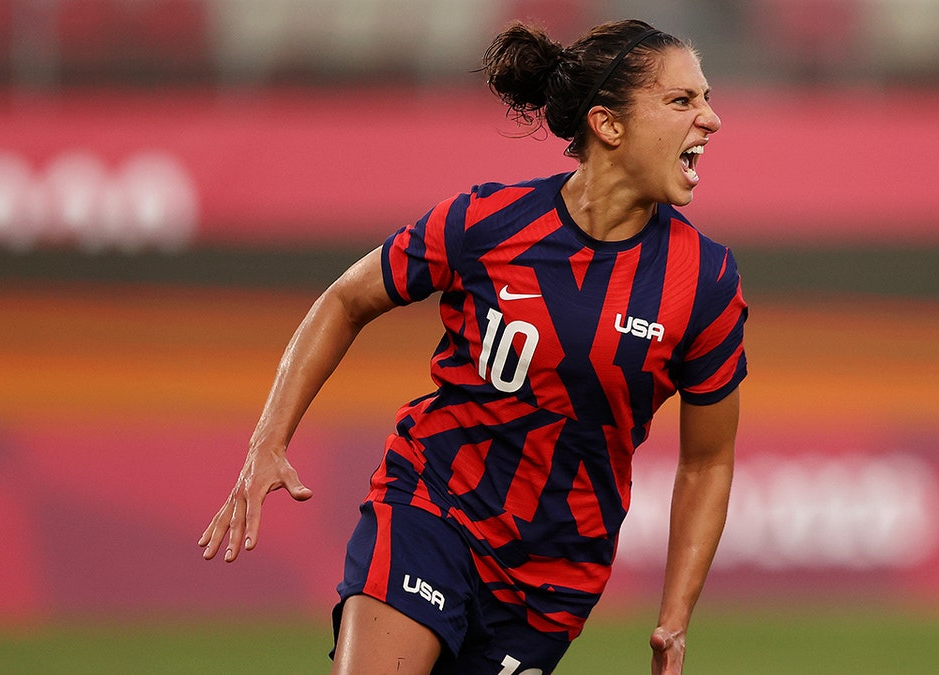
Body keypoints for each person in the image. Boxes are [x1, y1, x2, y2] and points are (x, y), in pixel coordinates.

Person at [199, 18, 746, 675]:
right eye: (682, 100)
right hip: (433, 508)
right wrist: (268, 440)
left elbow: (707, 463)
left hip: (551, 579)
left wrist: (675, 621)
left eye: (706, 98)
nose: (711, 119)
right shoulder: (485, 222)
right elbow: (346, 300)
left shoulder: (706, 281)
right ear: (608, 124)